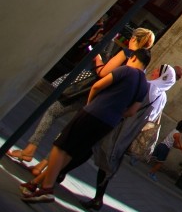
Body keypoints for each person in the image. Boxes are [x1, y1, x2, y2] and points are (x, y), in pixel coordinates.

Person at [7, 27, 156, 173]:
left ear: (134, 39)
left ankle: (30, 149)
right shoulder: (141, 67)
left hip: (91, 95)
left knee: (53, 112)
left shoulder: (127, 54)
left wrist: (97, 58)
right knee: (70, 130)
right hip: (106, 103)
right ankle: (43, 165)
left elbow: (103, 73)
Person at [20, 48, 151, 204]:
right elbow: (131, 112)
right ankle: (36, 184)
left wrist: (90, 104)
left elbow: (98, 86)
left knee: (60, 146)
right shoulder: (144, 85)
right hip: (108, 123)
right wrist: (115, 112)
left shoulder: (126, 70)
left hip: (94, 112)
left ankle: (47, 188)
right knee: (71, 152)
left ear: (135, 58)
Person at [81, 63, 181, 210]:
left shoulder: (148, 86)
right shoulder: (163, 96)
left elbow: (131, 105)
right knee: (109, 158)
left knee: (98, 150)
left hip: (122, 126)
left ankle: (94, 195)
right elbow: (153, 117)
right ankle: (97, 196)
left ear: (162, 76)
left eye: (157, 71)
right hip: (132, 133)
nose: (153, 71)